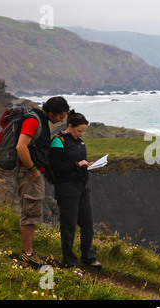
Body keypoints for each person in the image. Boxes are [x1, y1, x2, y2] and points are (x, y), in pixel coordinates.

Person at [16, 96, 69, 268]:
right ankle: (27, 254)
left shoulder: (40, 120)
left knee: (32, 211)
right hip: (29, 172)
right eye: (60, 117)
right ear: (52, 112)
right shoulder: (33, 121)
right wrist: (32, 170)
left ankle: (29, 252)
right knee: (30, 212)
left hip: (34, 172)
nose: (61, 121)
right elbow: (21, 147)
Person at [49, 110, 102, 270]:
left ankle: (88, 257)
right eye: (79, 130)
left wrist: (87, 164)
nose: (81, 134)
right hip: (67, 188)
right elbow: (55, 166)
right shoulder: (59, 141)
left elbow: (78, 162)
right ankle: (69, 261)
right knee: (69, 224)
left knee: (87, 223)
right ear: (69, 126)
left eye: (83, 131)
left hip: (82, 186)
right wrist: (77, 165)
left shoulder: (80, 142)